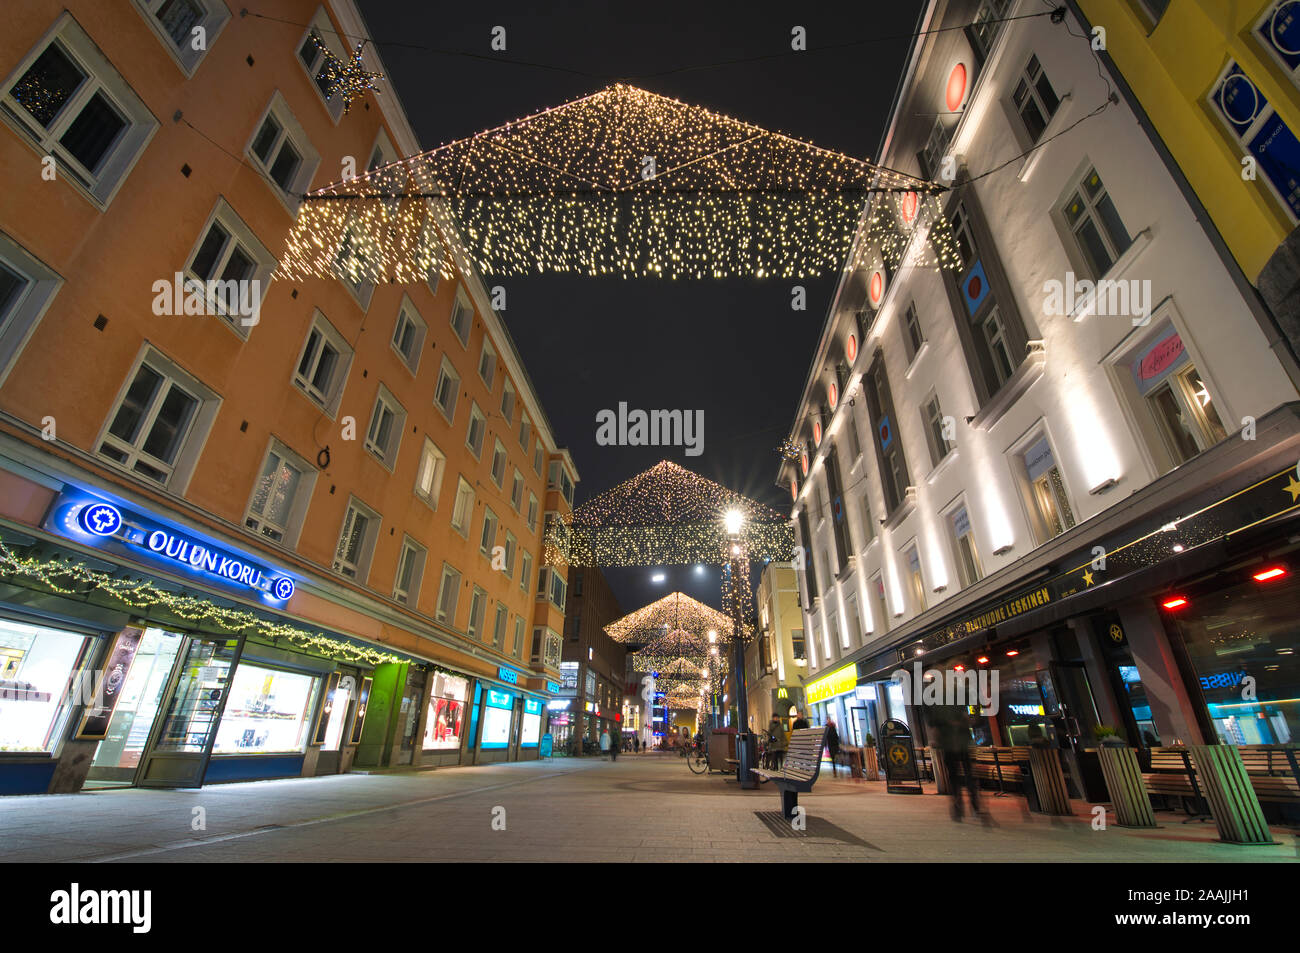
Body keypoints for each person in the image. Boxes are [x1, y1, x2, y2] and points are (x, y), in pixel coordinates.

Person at [928, 704, 982, 821]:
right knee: (957, 776)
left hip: (959, 744)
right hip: (952, 744)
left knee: (962, 776)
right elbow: (934, 726)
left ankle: (968, 805)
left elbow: (973, 717)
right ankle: (964, 805)